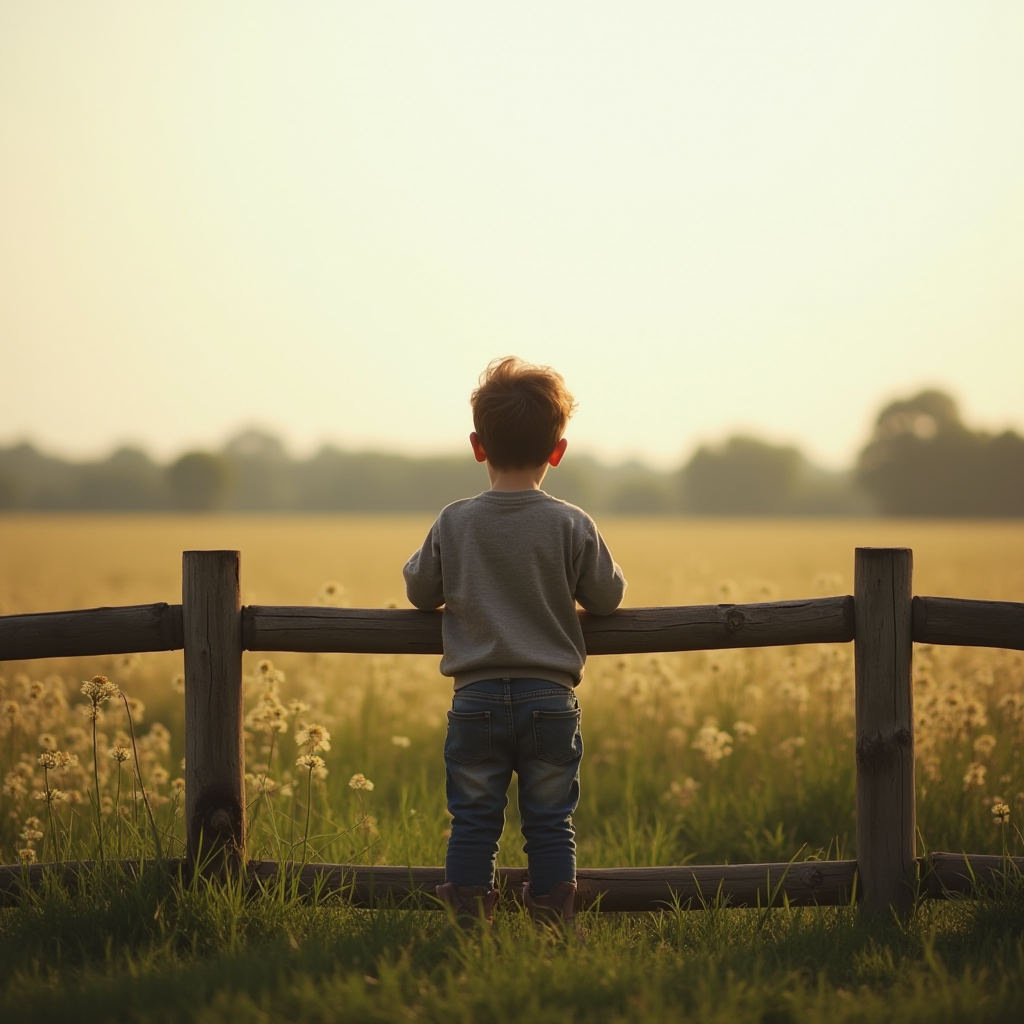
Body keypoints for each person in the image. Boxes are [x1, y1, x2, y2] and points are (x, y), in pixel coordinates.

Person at [403, 356, 626, 931]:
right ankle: (554, 927)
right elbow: (607, 597)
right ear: (558, 450)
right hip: (550, 699)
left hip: (475, 698)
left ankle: (468, 928)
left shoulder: (454, 522)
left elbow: (419, 590)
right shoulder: (572, 523)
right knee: (551, 822)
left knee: (474, 820)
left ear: (478, 446)